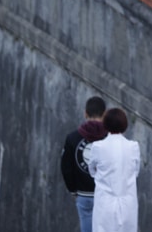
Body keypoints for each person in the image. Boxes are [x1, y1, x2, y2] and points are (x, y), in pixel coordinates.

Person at [88, 107, 142, 232]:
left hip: (105, 202)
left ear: (105, 124)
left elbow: (92, 170)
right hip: (128, 202)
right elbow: (136, 171)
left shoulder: (98, 147)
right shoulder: (133, 146)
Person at [61, 96, 108, 232]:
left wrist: (73, 190)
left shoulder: (72, 138)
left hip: (84, 194)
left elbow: (66, 168)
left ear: (85, 113)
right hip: (105, 194)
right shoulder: (111, 139)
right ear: (104, 114)